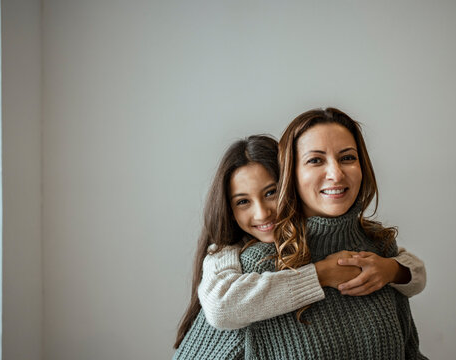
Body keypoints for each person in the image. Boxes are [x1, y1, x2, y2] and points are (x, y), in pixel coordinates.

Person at [173, 133, 425, 359]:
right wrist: (321, 274)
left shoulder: (372, 246)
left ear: (290, 185)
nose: (262, 214)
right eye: (242, 202)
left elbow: (414, 274)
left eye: (271, 193)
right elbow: (220, 307)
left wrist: (393, 270)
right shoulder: (241, 264)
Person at [238, 107, 427, 359]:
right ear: (290, 174)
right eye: (315, 160)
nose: (336, 174)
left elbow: (409, 353)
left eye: (347, 157)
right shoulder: (256, 266)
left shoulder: (381, 248)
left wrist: (394, 269)